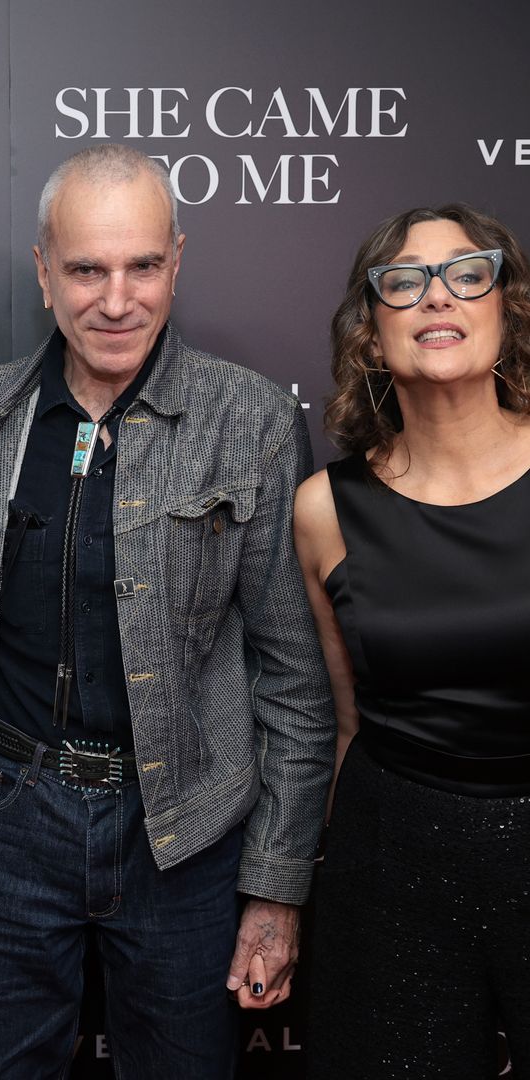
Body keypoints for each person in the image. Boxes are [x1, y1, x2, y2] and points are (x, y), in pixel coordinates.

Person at [0, 143, 335, 1079]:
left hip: (184, 828)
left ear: (176, 262)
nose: (117, 301)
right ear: (43, 272)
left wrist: (275, 890)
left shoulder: (252, 420)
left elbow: (294, 683)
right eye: (86, 269)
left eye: (142, 266)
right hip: (4, 821)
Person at [297, 204, 530, 1078]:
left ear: (506, 307)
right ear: (372, 329)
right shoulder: (324, 508)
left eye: (468, 274)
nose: (439, 297)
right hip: (394, 855)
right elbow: (347, 719)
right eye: (405, 281)